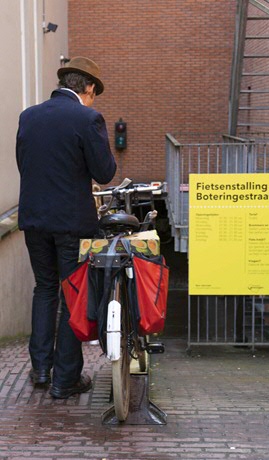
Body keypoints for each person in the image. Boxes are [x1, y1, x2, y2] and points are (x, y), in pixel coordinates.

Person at [16, 57, 116, 399]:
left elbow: (25, 164)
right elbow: (104, 172)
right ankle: (66, 379)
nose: (93, 100)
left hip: (33, 219)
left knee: (44, 289)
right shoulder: (88, 118)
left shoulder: (28, 116)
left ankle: (41, 369)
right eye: (94, 93)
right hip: (72, 223)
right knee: (72, 295)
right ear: (87, 87)